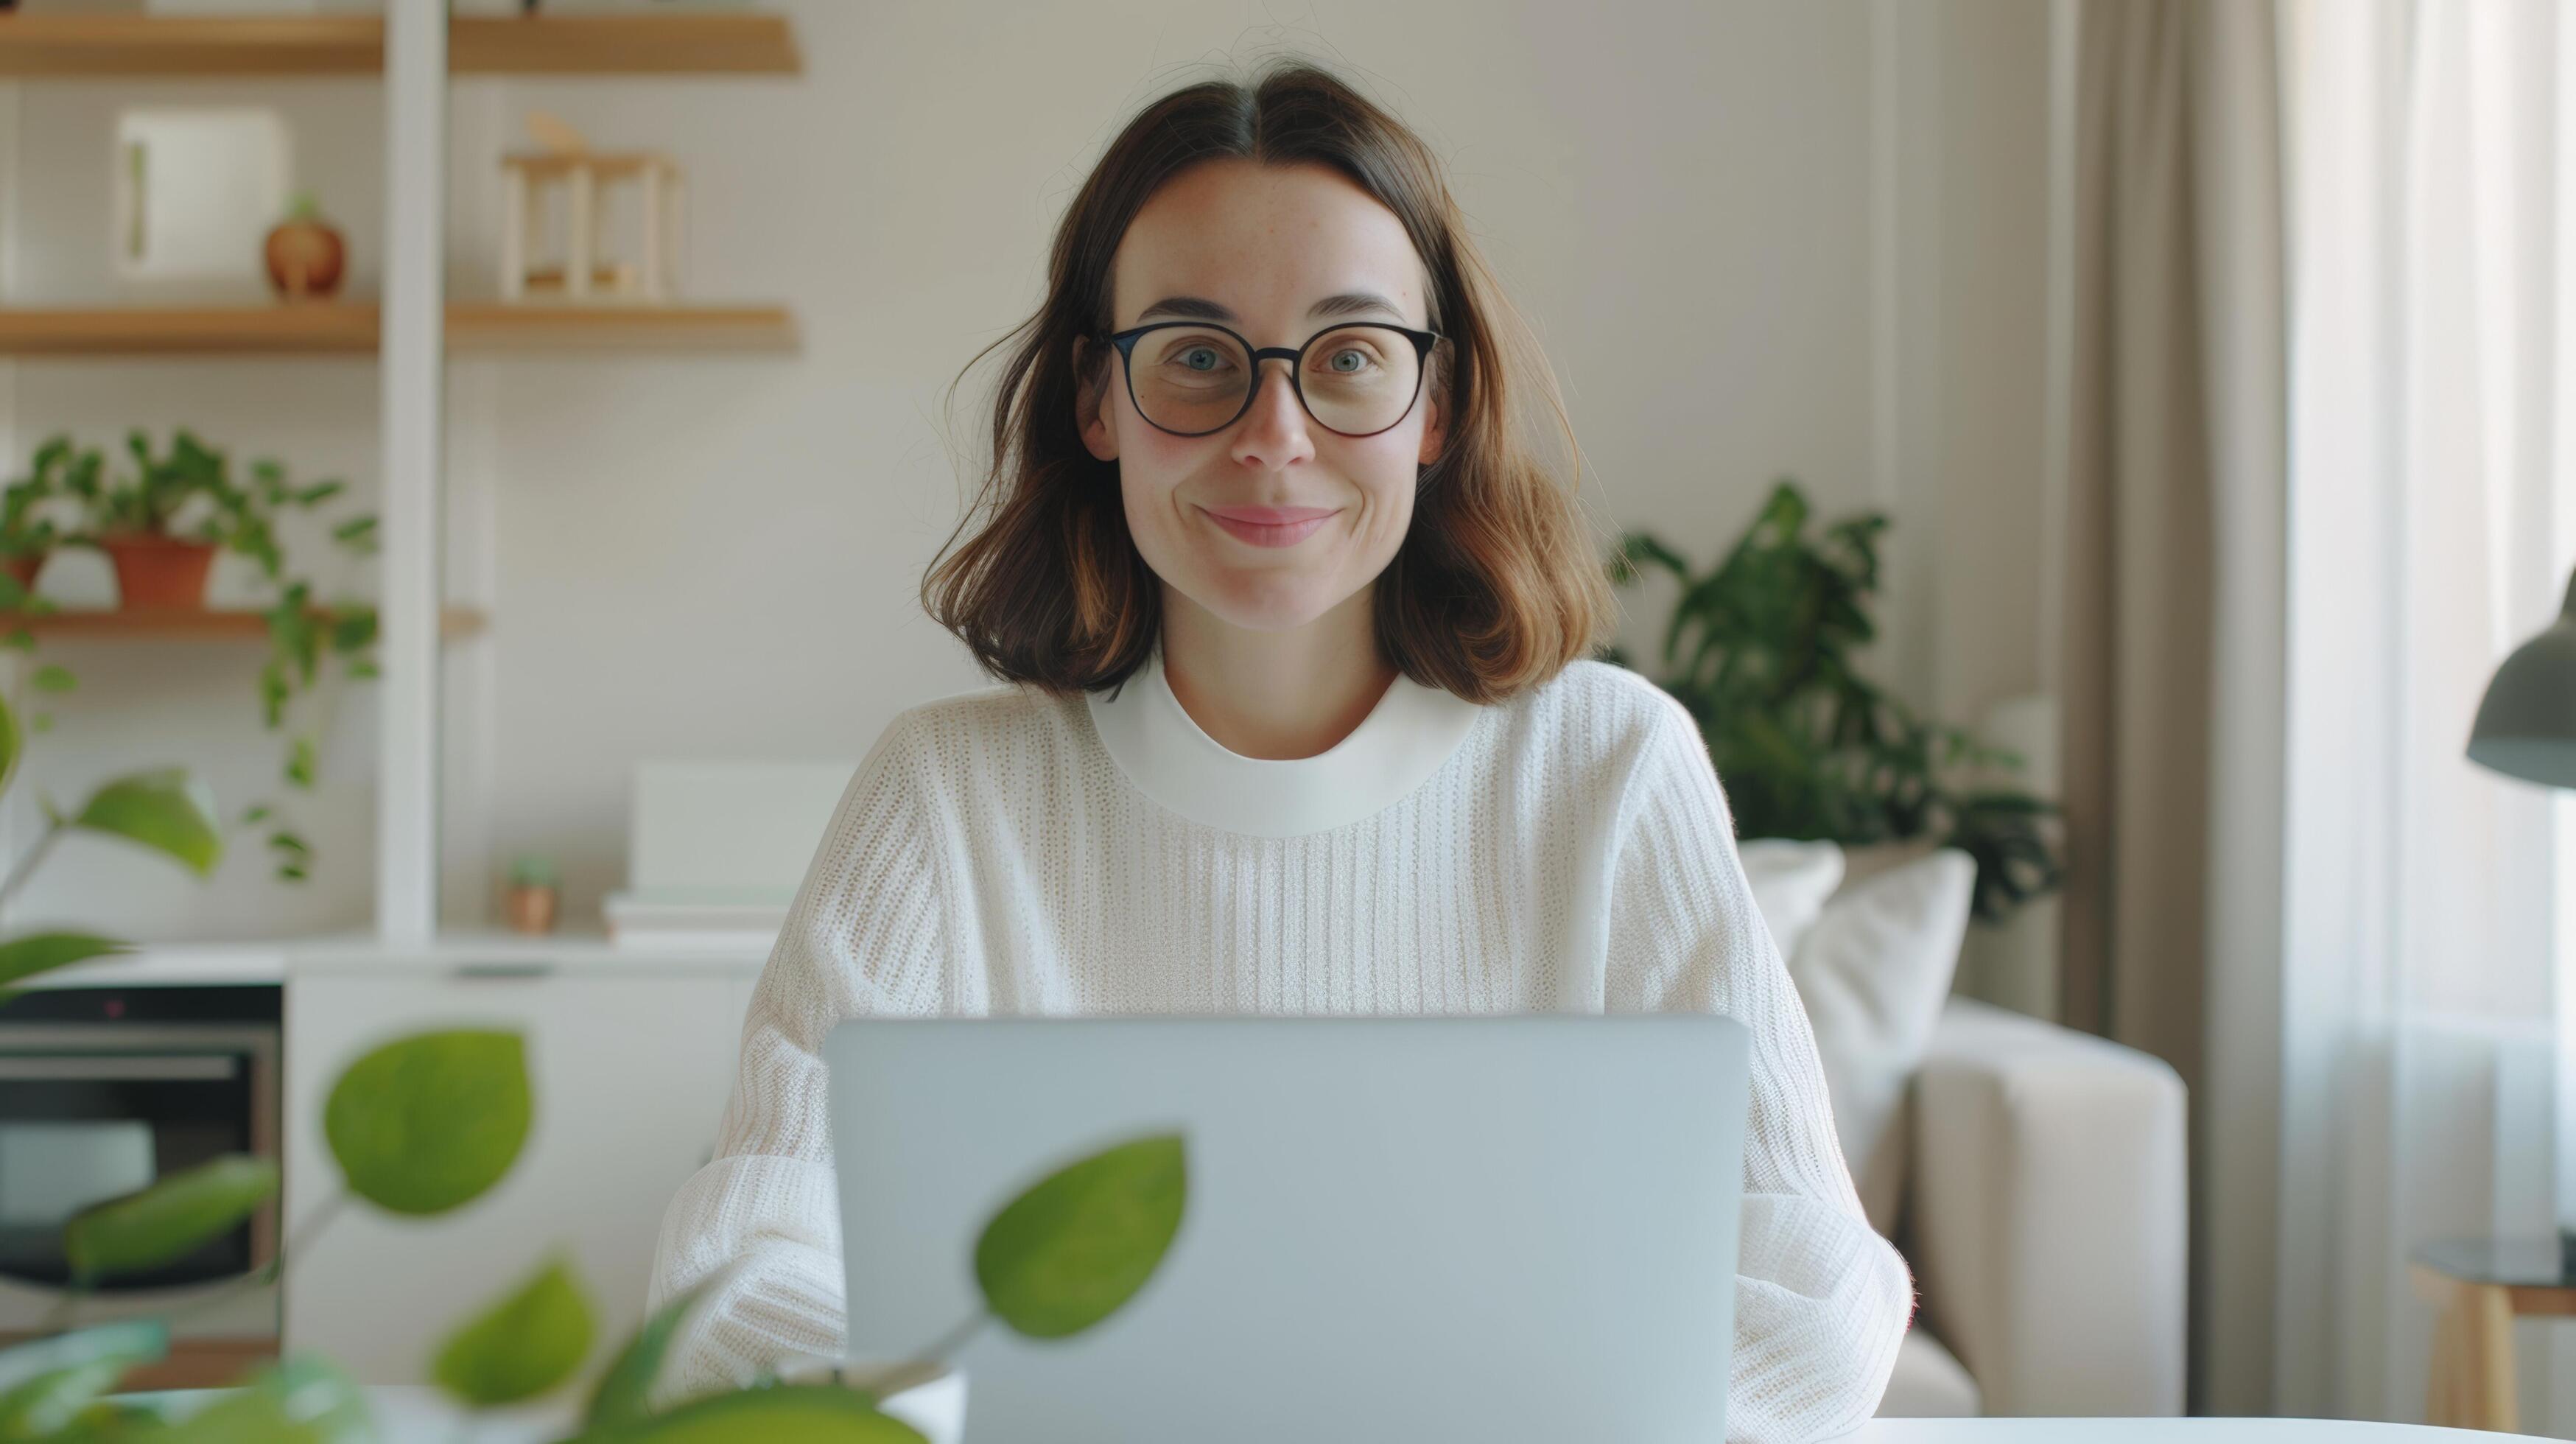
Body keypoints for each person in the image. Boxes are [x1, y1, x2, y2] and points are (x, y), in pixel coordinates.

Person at [648, 59, 1912, 1443]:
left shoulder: (1609, 771)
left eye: (1348, 357)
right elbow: (734, 1284)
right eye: (1195, 356)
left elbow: (1812, 1293)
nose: (1274, 436)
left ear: (1434, 408)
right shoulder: (946, 798)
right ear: (1096, 399)